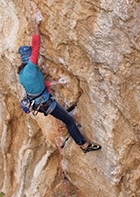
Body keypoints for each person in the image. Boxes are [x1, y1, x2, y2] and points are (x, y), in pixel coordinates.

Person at [17, 10, 101, 153]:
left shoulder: (22, 74)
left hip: (40, 102)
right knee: (69, 121)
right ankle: (84, 145)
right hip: (47, 104)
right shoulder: (31, 67)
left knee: (65, 117)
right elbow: (36, 46)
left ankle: (82, 142)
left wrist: (58, 83)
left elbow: (39, 87)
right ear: (29, 58)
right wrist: (35, 24)